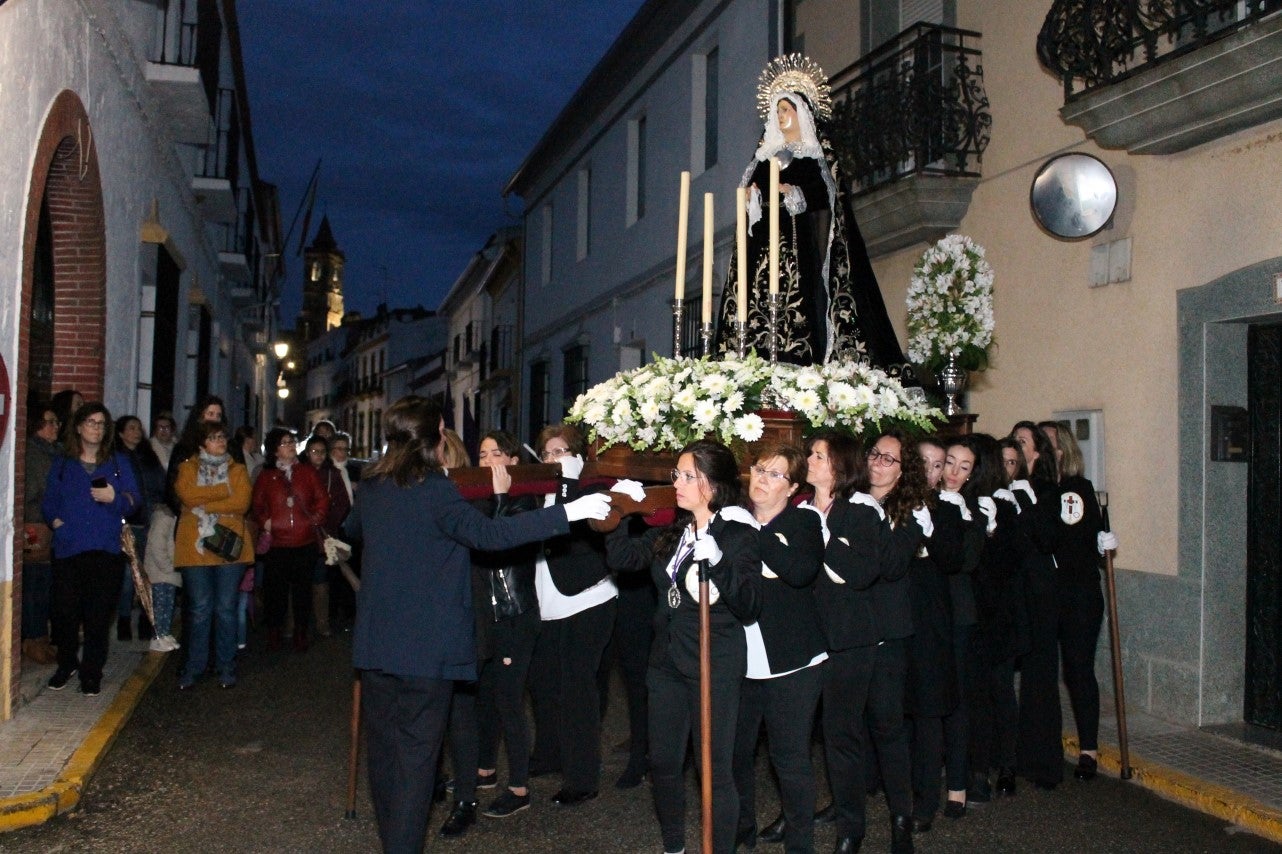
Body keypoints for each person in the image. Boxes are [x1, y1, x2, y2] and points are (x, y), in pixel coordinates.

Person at [343, 395, 610, 854]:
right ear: (437, 436)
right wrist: (569, 512)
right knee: (414, 765)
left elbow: (350, 531)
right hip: (426, 653)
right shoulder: (435, 490)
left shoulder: (372, 488)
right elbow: (490, 536)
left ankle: (393, 843)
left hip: (376, 648)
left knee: (384, 761)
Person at [605, 439, 761, 854]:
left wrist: (721, 562)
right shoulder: (673, 529)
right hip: (667, 662)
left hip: (715, 662)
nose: (678, 482)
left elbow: (748, 604)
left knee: (714, 770)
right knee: (665, 763)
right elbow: (623, 557)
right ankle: (674, 845)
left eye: (687, 476)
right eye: (676, 474)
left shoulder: (739, 533)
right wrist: (620, 511)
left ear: (712, 483)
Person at [714, 55, 912, 376]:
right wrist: (753, 197)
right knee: (756, 305)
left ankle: (805, 361)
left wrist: (794, 193)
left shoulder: (814, 157)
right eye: (777, 111)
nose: (780, 117)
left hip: (800, 248)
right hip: (765, 250)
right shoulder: (764, 158)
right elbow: (752, 200)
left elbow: (827, 198)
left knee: (803, 307)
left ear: (801, 113)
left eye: (786, 110)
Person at [812, 428, 930, 854]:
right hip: (847, 631)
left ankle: (901, 814)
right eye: (874, 454)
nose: (878, 463)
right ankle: (848, 804)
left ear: (904, 470)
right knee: (843, 727)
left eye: (889, 458)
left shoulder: (911, 511)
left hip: (887, 633)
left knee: (887, 724)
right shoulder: (847, 501)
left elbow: (892, 567)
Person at [441, 431, 543, 834]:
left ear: (513, 460)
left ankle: (519, 788)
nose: (487, 461)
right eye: (481, 455)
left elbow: (498, 544)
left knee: (509, 702)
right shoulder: (478, 499)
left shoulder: (523, 500)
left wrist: (500, 499)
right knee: (484, 698)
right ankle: (483, 769)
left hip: (515, 614)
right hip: (488, 617)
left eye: (496, 453)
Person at [732, 443, 826, 854]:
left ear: (793, 487)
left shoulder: (804, 521)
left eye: (775, 474)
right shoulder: (734, 520)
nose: (762, 479)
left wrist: (755, 534)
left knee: (789, 760)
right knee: (735, 755)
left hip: (793, 662)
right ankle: (741, 832)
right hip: (739, 660)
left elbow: (800, 572)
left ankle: (800, 845)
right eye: (758, 469)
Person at [525, 424, 618, 809]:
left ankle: (582, 778)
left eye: (560, 451)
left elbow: (570, 529)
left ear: (578, 456)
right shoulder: (539, 491)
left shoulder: (590, 488)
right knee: (545, 683)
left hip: (588, 598)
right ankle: (550, 754)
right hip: (549, 599)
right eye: (546, 453)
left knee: (577, 689)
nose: (552, 459)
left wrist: (568, 480)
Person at [42, 403, 140, 695]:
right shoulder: (63, 463)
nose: (96, 428)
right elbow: (49, 500)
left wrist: (116, 498)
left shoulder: (118, 462)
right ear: (78, 427)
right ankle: (67, 662)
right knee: (66, 613)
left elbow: (135, 501)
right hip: (69, 549)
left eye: (101, 423)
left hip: (105, 548)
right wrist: (56, 522)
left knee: (98, 616)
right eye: (91, 422)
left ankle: (91, 671)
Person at [905, 438, 970, 830]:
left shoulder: (944, 510)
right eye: (925, 464)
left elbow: (952, 559)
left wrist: (928, 530)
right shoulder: (888, 503)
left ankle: (925, 801)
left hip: (929, 624)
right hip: (894, 621)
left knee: (929, 714)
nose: (932, 472)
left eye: (938, 465)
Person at [1049, 427, 1116, 782]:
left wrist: (1101, 544)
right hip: (1045, 595)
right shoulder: (1034, 490)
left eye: (1050, 447)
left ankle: (1088, 748)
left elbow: (1076, 538)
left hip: (1076, 596)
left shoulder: (1076, 490)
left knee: (1077, 669)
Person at [967, 435, 1029, 800]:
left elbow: (1011, 562)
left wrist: (991, 531)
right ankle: (978, 767)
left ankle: (1006, 764)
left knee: (1001, 691)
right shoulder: (965, 503)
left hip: (999, 615)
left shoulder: (1004, 506)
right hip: (972, 613)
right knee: (975, 695)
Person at [173, 422, 254, 689]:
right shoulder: (187, 468)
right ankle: (194, 667)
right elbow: (186, 495)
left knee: (226, 609)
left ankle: (226, 666)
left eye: (222, 437)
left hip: (228, 546)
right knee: (199, 609)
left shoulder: (238, 470)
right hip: (195, 548)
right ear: (201, 443)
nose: (219, 442)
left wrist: (202, 502)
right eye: (213, 438)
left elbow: (241, 503)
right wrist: (222, 491)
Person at [1009, 420, 1067, 790]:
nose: (1015, 446)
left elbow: (1046, 539)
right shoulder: (1004, 489)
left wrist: (1026, 499)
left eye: (1022, 441)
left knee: (1040, 677)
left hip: (1041, 593)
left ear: (1036, 452)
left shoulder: (1047, 492)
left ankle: (1043, 763)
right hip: (1013, 591)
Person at [252, 428, 329, 652]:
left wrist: (314, 520)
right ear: (275, 450)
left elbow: (322, 499)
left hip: (304, 543)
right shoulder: (267, 476)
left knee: (302, 592)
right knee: (275, 593)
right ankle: (274, 633)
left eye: (292, 442)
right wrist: (267, 522)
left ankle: (300, 633)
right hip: (277, 545)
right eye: (285, 443)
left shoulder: (307, 472)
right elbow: (257, 504)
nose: (290, 445)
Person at [115, 415, 165, 642]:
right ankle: (124, 621)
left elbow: (159, 483)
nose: (136, 432)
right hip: (128, 524)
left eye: (139, 428)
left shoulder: (148, 456)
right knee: (128, 577)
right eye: (131, 428)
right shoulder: (116, 458)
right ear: (121, 433)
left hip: (149, 521)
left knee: (149, 573)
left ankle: (147, 619)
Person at [22, 404, 63, 665]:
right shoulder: (33, 453)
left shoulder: (57, 453)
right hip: (35, 526)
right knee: (33, 585)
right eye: (50, 422)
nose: (55, 427)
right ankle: (31, 638)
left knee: (47, 585)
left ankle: (42, 637)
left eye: (57, 422)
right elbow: (31, 491)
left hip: (53, 528)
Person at [304, 434, 348, 638]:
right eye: (315, 452)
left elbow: (343, 504)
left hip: (325, 534)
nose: (319, 456)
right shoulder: (299, 473)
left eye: (322, 452)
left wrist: (329, 521)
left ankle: (322, 622)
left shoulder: (333, 474)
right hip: (302, 535)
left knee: (321, 579)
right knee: (301, 579)